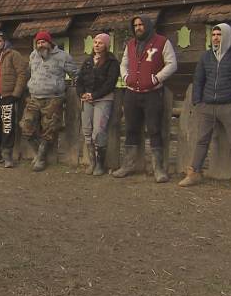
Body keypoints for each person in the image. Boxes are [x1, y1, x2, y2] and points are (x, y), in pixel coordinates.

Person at [178, 23, 231, 194]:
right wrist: (198, 102)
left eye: (219, 35)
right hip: (207, 106)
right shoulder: (206, 57)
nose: (215, 38)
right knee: (201, 140)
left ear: (227, 36)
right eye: (213, 35)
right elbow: (198, 79)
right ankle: (194, 173)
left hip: (229, 106)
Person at [112, 15, 177, 182]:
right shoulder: (130, 44)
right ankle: (128, 165)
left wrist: (156, 78)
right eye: (135, 25)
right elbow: (123, 63)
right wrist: (126, 78)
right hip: (132, 93)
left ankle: (158, 169)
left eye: (141, 25)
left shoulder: (162, 42)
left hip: (152, 94)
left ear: (147, 25)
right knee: (131, 129)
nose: (138, 28)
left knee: (154, 129)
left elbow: (172, 64)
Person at [20, 31, 78, 172]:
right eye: (38, 43)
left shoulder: (63, 56)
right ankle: (40, 153)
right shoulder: (33, 55)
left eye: (43, 42)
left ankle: (40, 158)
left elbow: (75, 74)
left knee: (49, 129)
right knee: (25, 127)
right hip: (34, 97)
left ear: (50, 43)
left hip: (53, 99)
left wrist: (72, 90)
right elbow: (29, 73)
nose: (41, 45)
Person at [0, 31, 27, 168]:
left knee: (7, 126)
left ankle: (7, 155)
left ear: (5, 42)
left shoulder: (14, 55)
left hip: (7, 95)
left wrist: (16, 94)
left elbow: (22, 74)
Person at [76, 33, 120, 176]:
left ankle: (100, 165)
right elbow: (80, 79)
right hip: (86, 100)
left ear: (106, 45)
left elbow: (110, 83)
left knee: (99, 132)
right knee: (87, 131)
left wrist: (94, 95)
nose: (96, 45)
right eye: (95, 42)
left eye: (100, 43)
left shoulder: (112, 62)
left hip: (103, 99)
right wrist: (82, 93)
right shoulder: (88, 61)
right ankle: (92, 162)